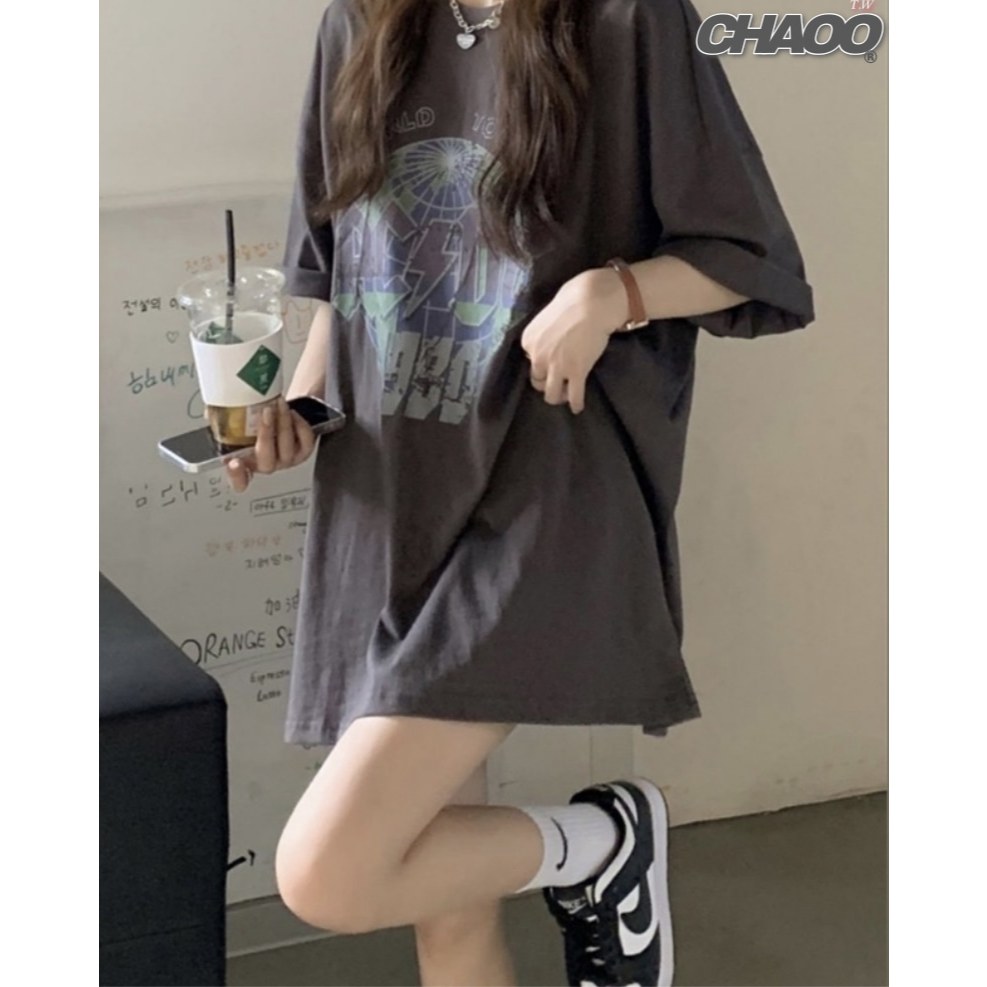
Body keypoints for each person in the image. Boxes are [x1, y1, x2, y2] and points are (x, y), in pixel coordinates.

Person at [225, 0, 814, 984]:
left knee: (328, 872)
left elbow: (746, 257)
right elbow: (341, 279)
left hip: (544, 482)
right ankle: (597, 853)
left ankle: (604, 845)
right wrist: (300, 405)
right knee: (445, 915)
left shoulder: (629, 19)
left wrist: (610, 293)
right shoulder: (359, 22)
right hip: (391, 495)